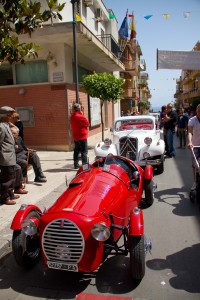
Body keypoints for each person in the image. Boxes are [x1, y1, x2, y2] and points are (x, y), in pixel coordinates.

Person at [0, 106, 19, 205]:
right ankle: (4, 197)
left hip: (10, 156)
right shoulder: (1, 126)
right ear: (4, 116)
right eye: (9, 115)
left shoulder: (6, 125)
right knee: (7, 178)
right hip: (5, 157)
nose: (11, 117)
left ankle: (10, 193)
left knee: (12, 176)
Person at [70, 103, 90, 169]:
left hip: (76, 136)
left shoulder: (72, 117)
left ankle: (76, 165)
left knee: (76, 151)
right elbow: (87, 124)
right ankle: (85, 167)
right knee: (84, 152)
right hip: (82, 136)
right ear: (79, 109)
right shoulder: (81, 116)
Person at [187, 104, 200, 190]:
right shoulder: (192, 120)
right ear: (197, 111)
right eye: (199, 111)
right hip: (195, 145)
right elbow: (190, 132)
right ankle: (195, 182)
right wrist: (190, 142)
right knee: (195, 165)